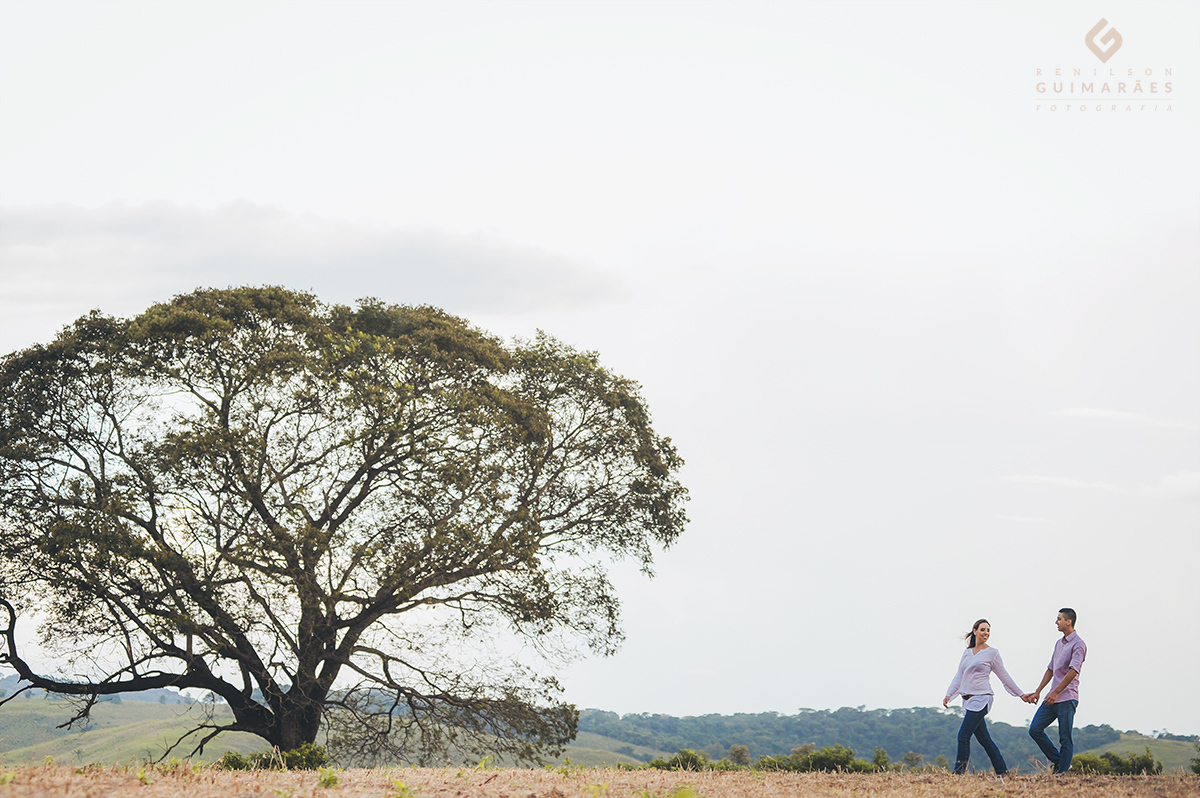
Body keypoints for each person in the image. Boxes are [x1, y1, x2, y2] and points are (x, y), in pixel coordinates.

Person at [943, 618, 1024, 776]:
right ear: (975, 631)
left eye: (988, 630)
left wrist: (1020, 694)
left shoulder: (992, 653)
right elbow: (959, 676)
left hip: (982, 698)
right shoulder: (967, 653)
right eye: (983, 630)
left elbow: (1004, 676)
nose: (986, 633)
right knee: (985, 740)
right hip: (967, 700)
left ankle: (958, 773)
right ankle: (1003, 771)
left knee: (963, 735)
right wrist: (949, 694)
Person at [1023, 608, 1087, 773]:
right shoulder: (1059, 644)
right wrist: (1038, 691)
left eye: (1059, 619)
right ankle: (1060, 762)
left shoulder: (1079, 644)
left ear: (1068, 621)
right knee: (1035, 729)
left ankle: (1062, 773)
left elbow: (1073, 671)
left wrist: (1056, 692)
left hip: (1066, 697)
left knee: (1065, 738)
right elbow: (1051, 669)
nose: (1056, 622)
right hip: (1052, 696)